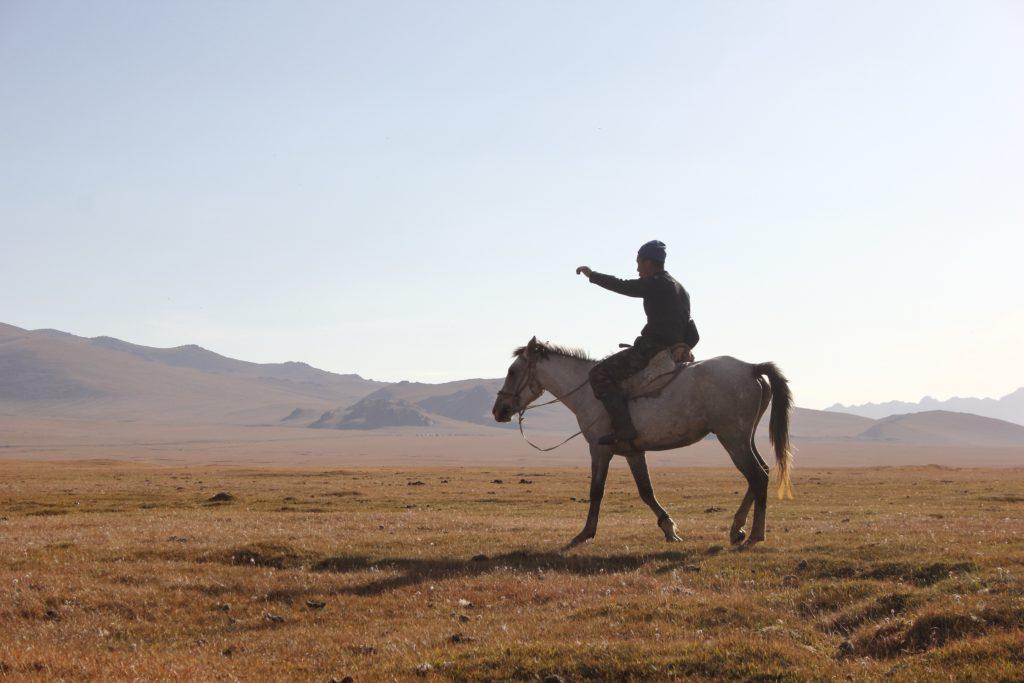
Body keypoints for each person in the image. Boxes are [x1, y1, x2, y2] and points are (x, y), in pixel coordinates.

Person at [576, 240, 698, 447]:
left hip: (652, 349)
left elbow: (624, 286)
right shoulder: (680, 288)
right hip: (674, 348)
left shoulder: (656, 282)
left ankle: (623, 429)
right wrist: (682, 346)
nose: (637, 268)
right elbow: (689, 325)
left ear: (649, 262)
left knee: (598, 374)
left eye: (639, 263)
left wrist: (593, 276)